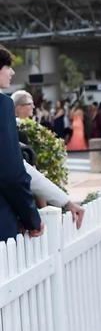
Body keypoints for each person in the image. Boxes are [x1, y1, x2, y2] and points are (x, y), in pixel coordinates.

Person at [12, 90, 85, 227]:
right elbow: (19, 172)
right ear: (18, 107)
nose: (33, 107)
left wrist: (65, 202)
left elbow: (26, 170)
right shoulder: (17, 130)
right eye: (29, 104)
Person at [0, 45, 43, 242]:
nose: (12, 72)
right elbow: (11, 173)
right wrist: (31, 217)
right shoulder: (3, 104)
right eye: (7, 66)